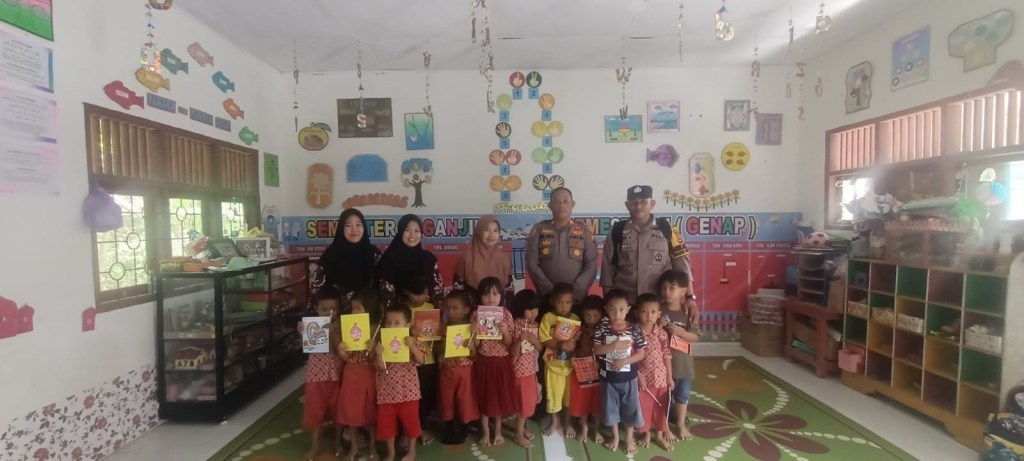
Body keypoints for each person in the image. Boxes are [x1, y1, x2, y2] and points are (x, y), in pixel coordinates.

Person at [600, 185, 698, 317]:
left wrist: (690, 297)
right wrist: (608, 301)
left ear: (652, 204)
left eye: (644, 201)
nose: (639, 206)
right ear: (627, 205)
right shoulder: (617, 230)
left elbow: (682, 266)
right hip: (625, 307)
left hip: (658, 306)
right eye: (634, 202)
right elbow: (607, 270)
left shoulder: (667, 229)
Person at [593, 289, 647, 455]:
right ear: (606, 309)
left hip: (629, 378)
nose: (617, 314)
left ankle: (629, 438)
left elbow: (641, 354)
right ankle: (615, 437)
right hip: (608, 379)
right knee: (611, 409)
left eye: (621, 309)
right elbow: (596, 349)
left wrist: (624, 361)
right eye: (613, 309)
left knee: (631, 408)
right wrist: (613, 346)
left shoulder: (634, 329)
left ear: (628, 309)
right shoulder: (602, 328)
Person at [526, 187, 599, 302]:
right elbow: (532, 263)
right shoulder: (539, 229)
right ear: (550, 206)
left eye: (565, 201)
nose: (561, 205)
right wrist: (549, 291)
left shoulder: (584, 231)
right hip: (547, 298)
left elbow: (591, 264)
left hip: (576, 300)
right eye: (557, 202)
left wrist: (575, 293)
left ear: (572, 204)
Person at [373, 304, 426, 461]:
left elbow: (422, 360)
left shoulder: (413, 341)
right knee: (387, 425)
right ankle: (391, 453)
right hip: (386, 393)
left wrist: (412, 346)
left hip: (408, 392)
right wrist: (378, 355)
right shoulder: (381, 343)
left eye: (397, 323)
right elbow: (381, 368)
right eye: (388, 323)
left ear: (407, 324)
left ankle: (412, 451)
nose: (392, 326)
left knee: (411, 423)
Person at [336, 289, 381, 461]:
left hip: (369, 376)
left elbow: (380, 358)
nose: (353, 312)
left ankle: (373, 448)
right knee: (351, 413)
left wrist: (374, 350)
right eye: (352, 308)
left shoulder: (377, 330)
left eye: (357, 308)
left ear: (370, 309)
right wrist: (342, 351)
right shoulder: (348, 327)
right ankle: (354, 448)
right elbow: (346, 356)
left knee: (371, 414)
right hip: (351, 375)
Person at [471, 276, 517, 446]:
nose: (491, 298)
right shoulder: (476, 314)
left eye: (495, 294)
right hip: (484, 362)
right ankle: (485, 432)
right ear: (480, 296)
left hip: (502, 363)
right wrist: (474, 331)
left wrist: (505, 331)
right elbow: (476, 345)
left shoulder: (506, 314)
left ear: (501, 295)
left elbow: (509, 343)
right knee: (484, 397)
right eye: (486, 294)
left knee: (499, 399)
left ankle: (497, 431)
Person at [301, 287, 344, 460]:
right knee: (314, 411)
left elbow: (343, 350)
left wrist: (334, 334)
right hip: (315, 376)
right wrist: (302, 332)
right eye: (324, 309)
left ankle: (339, 443)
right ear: (316, 309)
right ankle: (315, 446)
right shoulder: (311, 325)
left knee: (338, 412)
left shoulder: (341, 325)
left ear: (339, 309)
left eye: (333, 309)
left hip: (336, 375)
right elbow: (308, 346)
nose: (329, 313)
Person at [659, 270, 700, 442]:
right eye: (664, 288)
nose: (667, 292)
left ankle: (681, 425)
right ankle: (664, 426)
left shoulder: (688, 311)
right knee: (664, 397)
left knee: (682, 397)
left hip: (684, 365)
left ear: (683, 291)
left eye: (672, 288)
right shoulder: (658, 309)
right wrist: (657, 324)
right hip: (662, 366)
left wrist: (681, 332)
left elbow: (695, 337)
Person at [312, 208, 382, 305]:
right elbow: (318, 289)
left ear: (364, 227)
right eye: (348, 225)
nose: (354, 230)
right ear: (341, 228)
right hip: (336, 310)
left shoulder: (374, 253)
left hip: (368, 309)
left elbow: (381, 286)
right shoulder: (330, 254)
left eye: (358, 225)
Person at [437, 290, 479, 445]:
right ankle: (449, 426)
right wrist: (442, 348)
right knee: (446, 398)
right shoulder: (443, 327)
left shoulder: (470, 328)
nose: (450, 312)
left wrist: (471, 347)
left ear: (466, 310)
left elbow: (474, 354)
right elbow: (437, 349)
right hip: (447, 369)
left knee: (464, 399)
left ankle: (463, 427)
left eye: (455, 308)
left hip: (465, 370)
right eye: (447, 308)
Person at [376, 214, 445, 309]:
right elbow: (386, 294)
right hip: (398, 314)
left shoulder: (428, 259)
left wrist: (435, 313)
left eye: (417, 231)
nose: (412, 235)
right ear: (401, 231)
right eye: (407, 230)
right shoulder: (390, 258)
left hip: (425, 313)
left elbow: (437, 291)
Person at [401, 276, 439, 445]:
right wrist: (410, 332)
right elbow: (392, 335)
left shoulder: (430, 308)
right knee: (407, 400)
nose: (422, 297)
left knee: (425, 397)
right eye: (417, 294)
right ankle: (406, 432)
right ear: (406, 292)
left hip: (428, 360)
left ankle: (422, 428)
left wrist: (439, 330)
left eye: (424, 293)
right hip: (407, 363)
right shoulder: (401, 310)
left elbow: (436, 335)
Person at [636, 293, 676, 451]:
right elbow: (630, 355)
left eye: (653, 312)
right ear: (637, 313)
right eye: (644, 311)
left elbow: (667, 355)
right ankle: (646, 434)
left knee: (661, 407)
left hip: (661, 378)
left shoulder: (661, 333)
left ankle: (659, 435)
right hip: (643, 380)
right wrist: (638, 376)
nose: (649, 316)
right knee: (644, 406)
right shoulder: (634, 333)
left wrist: (670, 377)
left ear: (659, 314)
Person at [538, 283, 578, 437]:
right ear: (552, 301)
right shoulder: (548, 318)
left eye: (567, 302)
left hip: (569, 366)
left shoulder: (575, 319)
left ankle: (567, 422)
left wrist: (575, 341)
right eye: (560, 302)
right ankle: (554, 421)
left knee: (569, 397)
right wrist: (561, 345)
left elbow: (576, 342)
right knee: (553, 396)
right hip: (552, 365)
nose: (563, 306)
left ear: (573, 303)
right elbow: (544, 339)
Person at [569, 295, 605, 444]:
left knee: (598, 401)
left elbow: (609, 351)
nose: (591, 319)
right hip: (581, 371)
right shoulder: (579, 329)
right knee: (582, 400)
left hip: (598, 371)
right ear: (582, 314)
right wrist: (574, 357)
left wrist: (601, 364)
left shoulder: (605, 330)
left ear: (602, 314)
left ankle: (596, 429)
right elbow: (574, 348)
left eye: (595, 315)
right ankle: (584, 427)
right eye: (587, 315)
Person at [453, 215, 514, 301]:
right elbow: (457, 295)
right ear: (478, 232)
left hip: (499, 309)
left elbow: (509, 292)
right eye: (486, 230)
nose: (491, 235)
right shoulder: (466, 258)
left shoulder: (503, 259)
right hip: (472, 308)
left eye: (495, 230)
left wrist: (507, 310)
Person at [510, 289, 542, 447]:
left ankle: (521, 429)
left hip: (531, 370)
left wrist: (535, 341)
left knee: (529, 402)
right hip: (518, 371)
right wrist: (519, 340)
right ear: (520, 309)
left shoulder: (535, 325)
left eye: (535, 308)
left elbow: (540, 348)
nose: (533, 313)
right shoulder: (515, 324)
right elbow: (512, 352)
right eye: (529, 309)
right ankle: (518, 434)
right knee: (523, 403)